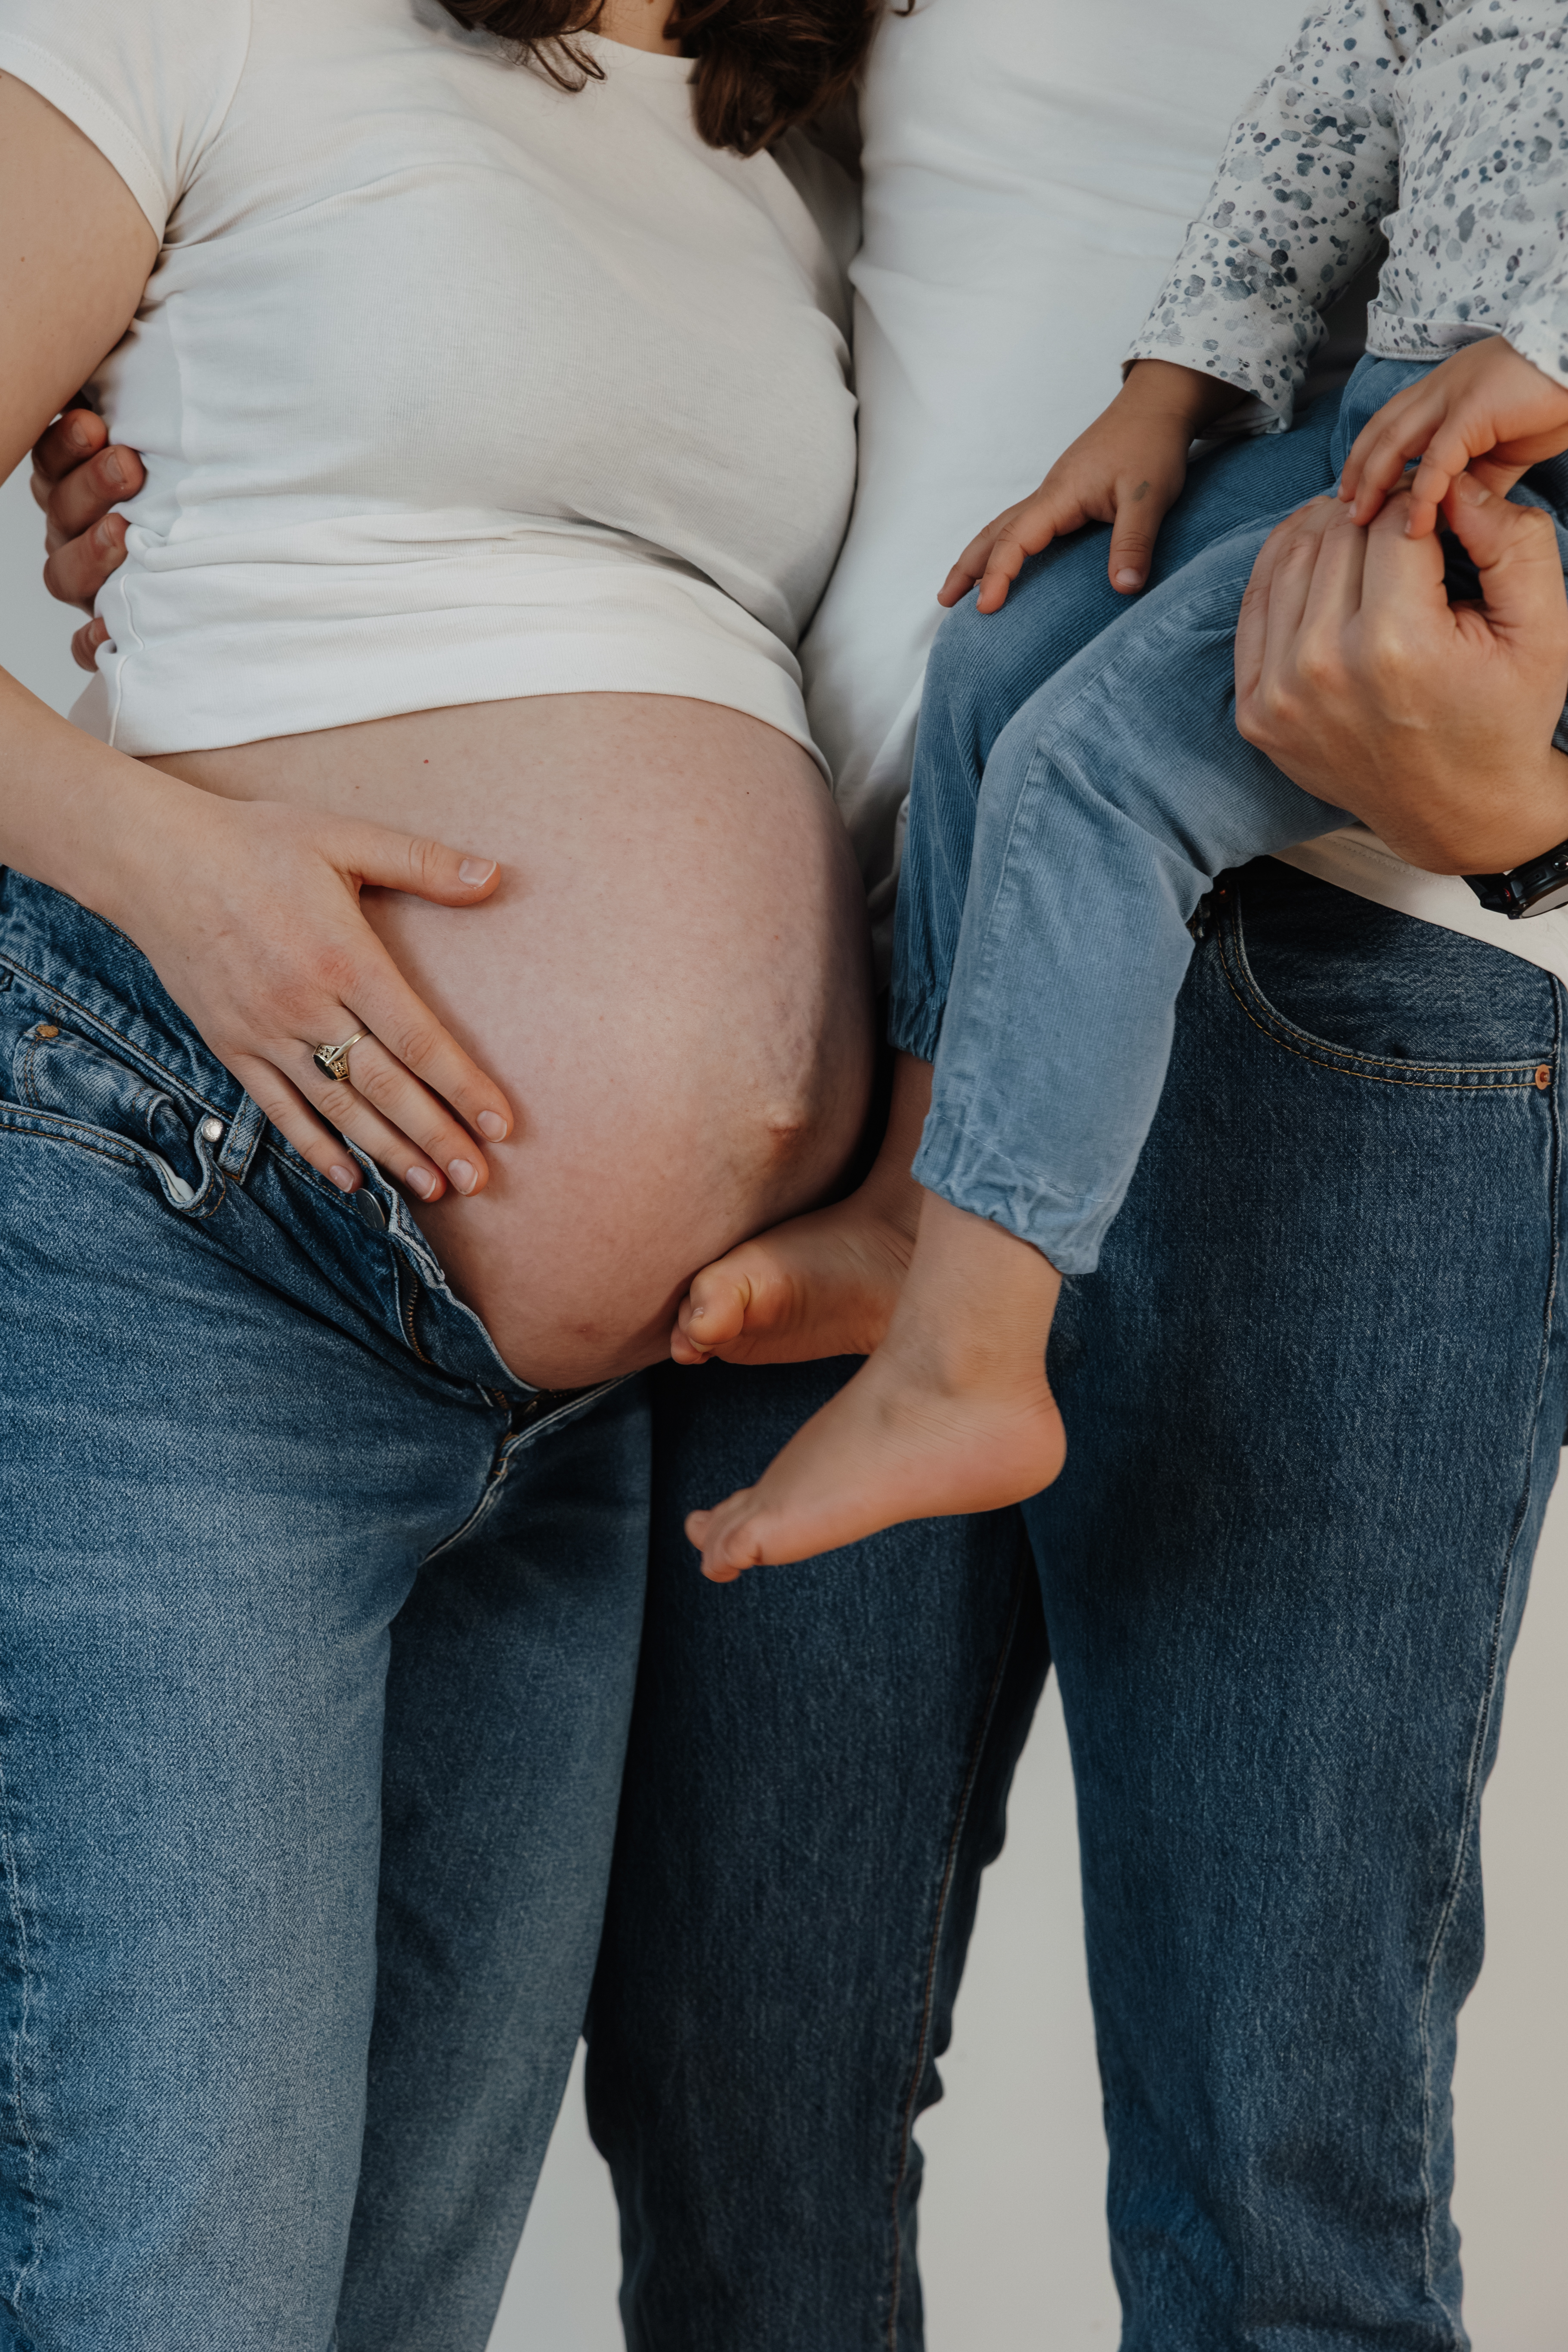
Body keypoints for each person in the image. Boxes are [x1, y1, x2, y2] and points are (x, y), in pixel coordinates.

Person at [0, 0, 878, 2339]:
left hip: (563, 1420)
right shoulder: (207, 19)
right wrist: (173, 865)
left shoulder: (778, 163)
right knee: (164, 2285)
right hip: (190, 1244)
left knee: (401, 2298)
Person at [672, 0, 1568, 1577]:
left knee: (1099, 765)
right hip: (1399, 406)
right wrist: (1170, 389)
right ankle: (907, 1210)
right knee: (1000, 650)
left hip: (1524, 473)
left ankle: (968, 1372)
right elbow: (1336, 91)